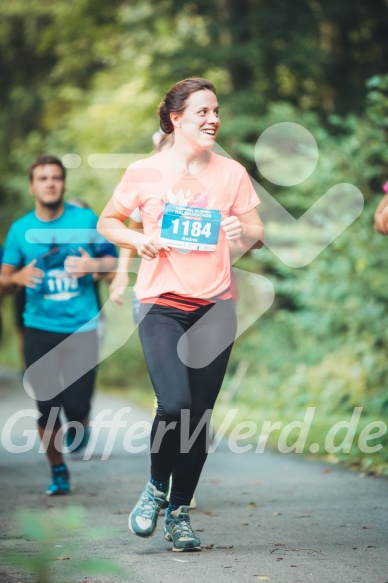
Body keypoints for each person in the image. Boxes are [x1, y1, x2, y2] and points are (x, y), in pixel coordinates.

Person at [98, 78, 264, 552]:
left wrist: (243, 229)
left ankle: (180, 512)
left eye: (216, 110)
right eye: (203, 112)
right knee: (173, 405)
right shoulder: (144, 172)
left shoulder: (231, 172)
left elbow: (257, 231)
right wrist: (136, 240)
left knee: (198, 417)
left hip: (215, 307)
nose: (213, 118)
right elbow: (108, 221)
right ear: (176, 119)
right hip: (161, 305)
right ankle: (155, 488)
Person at [0, 155, 117, 496]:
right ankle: (58, 470)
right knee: (47, 408)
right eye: (42, 178)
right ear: (32, 186)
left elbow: (112, 264)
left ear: (63, 184)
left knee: (77, 408)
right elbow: (4, 280)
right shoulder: (20, 230)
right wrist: (18, 277)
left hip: (82, 329)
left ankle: (80, 421)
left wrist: (92, 264)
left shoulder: (86, 220)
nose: (50, 183)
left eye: (55, 177)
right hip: (39, 329)